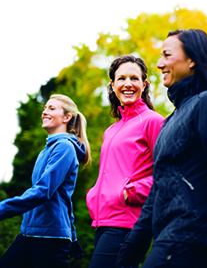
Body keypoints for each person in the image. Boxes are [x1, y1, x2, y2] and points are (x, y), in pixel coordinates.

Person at [116, 29, 207, 268]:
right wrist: (129, 250)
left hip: (190, 237)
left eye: (167, 55)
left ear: (192, 60)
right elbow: (157, 190)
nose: (159, 64)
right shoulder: (172, 119)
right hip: (167, 237)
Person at [86, 55, 164, 268]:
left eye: (134, 78)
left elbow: (168, 172)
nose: (127, 84)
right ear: (112, 85)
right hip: (103, 221)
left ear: (144, 84)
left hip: (129, 222)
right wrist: (93, 195)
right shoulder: (111, 130)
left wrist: (132, 191)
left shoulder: (153, 121)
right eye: (121, 79)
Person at [0, 94, 91, 268]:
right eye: (45, 108)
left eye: (51, 108)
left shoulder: (65, 147)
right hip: (29, 233)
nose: (45, 112)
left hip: (50, 239)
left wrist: (3, 208)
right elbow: (63, 198)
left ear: (66, 117)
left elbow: (42, 191)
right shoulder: (47, 150)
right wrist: (72, 235)